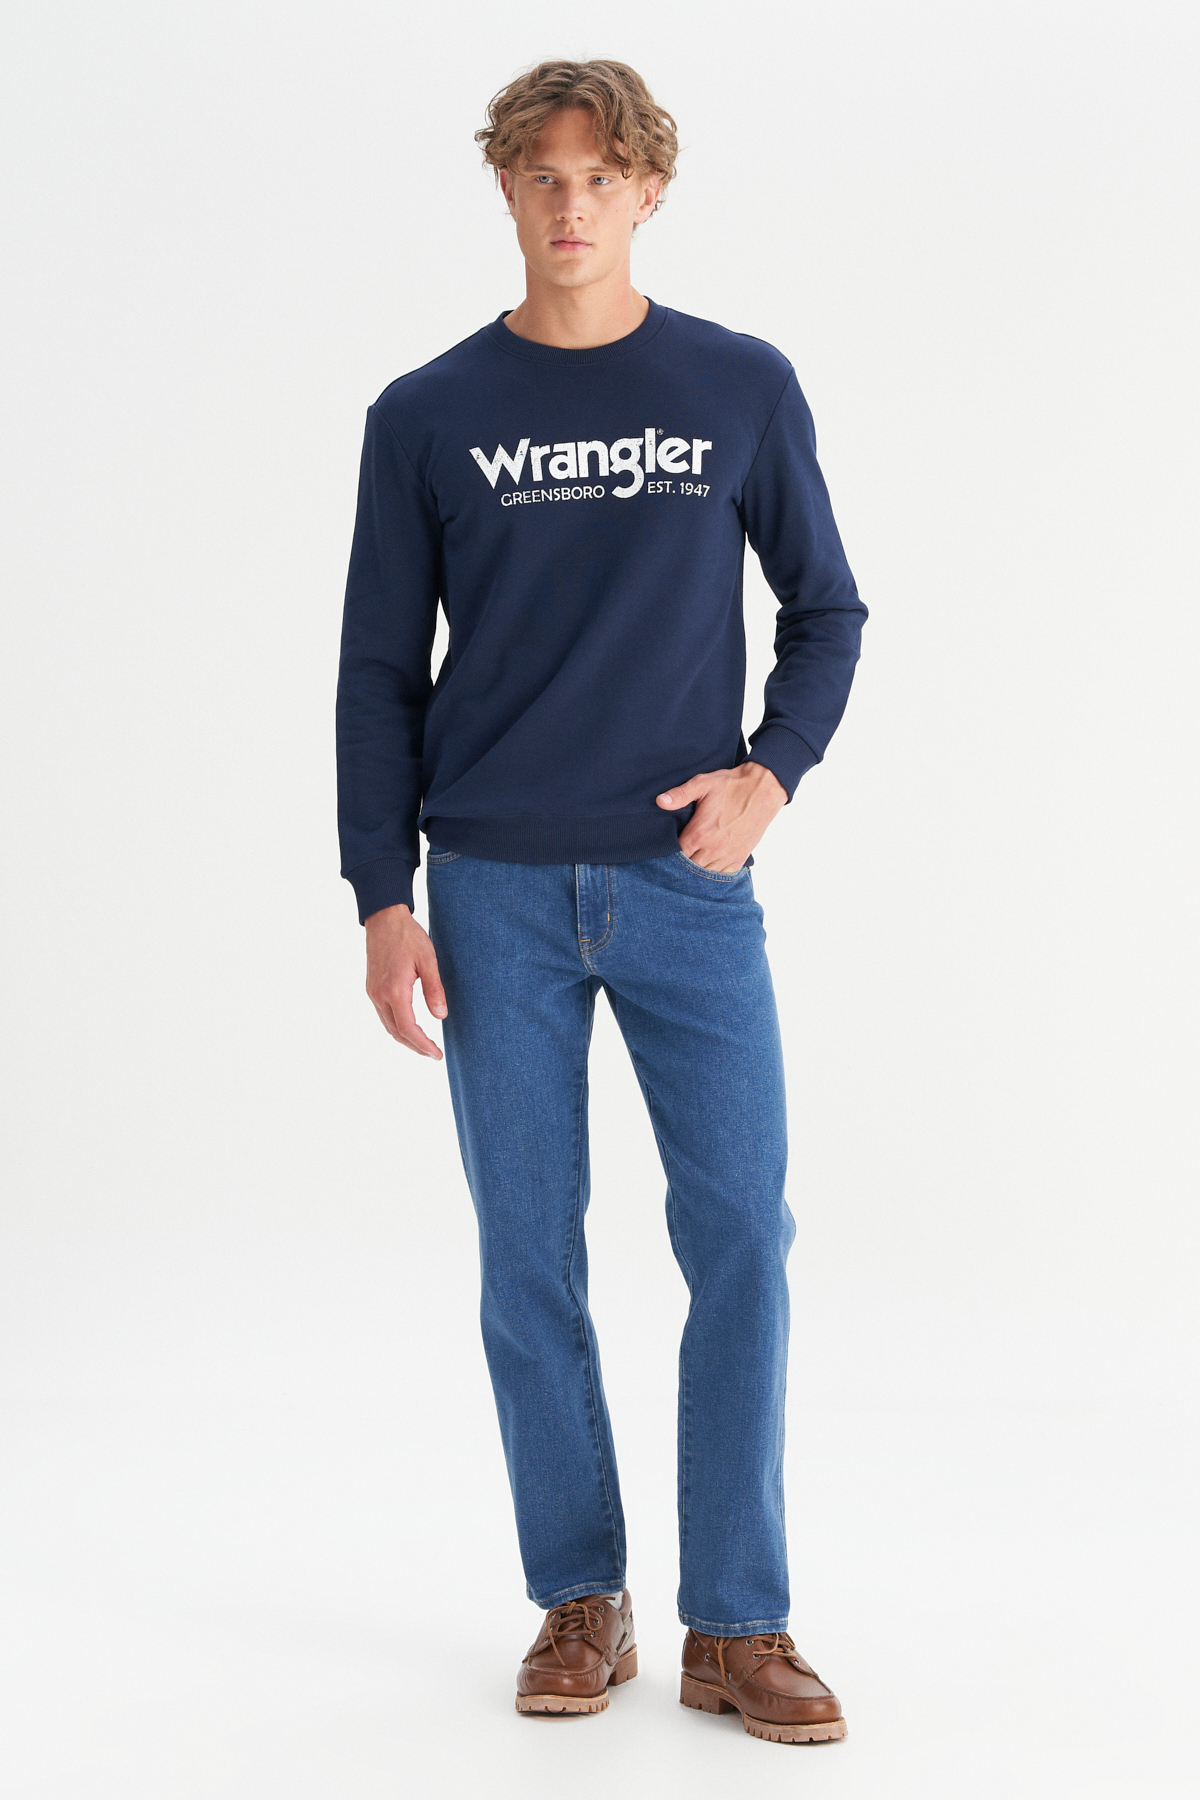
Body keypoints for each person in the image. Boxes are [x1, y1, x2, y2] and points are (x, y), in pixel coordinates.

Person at [336, 58, 866, 1745]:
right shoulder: (426, 413)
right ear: (507, 191)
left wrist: (771, 772)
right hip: (489, 891)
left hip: (687, 887)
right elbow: (377, 672)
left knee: (742, 1237)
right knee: (527, 1252)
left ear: (648, 192)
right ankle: (581, 1598)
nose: (572, 206)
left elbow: (829, 609)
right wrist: (382, 894)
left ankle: (740, 1622)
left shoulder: (737, 384)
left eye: (601, 177)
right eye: (544, 177)